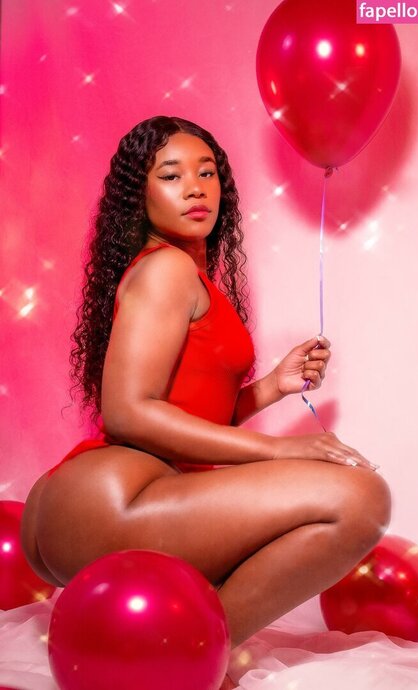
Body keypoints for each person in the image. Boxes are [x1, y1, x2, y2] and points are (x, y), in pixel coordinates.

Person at [21, 115, 391, 690]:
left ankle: (187, 651)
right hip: (115, 499)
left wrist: (270, 387)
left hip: (102, 502)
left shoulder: (185, 275)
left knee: (348, 494)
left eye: (207, 173)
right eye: (171, 175)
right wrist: (279, 449)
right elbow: (128, 412)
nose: (195, 188)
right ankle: (198, 655)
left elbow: (181, 415)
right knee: (360, 498)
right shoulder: (167, 268)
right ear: (139, 195)